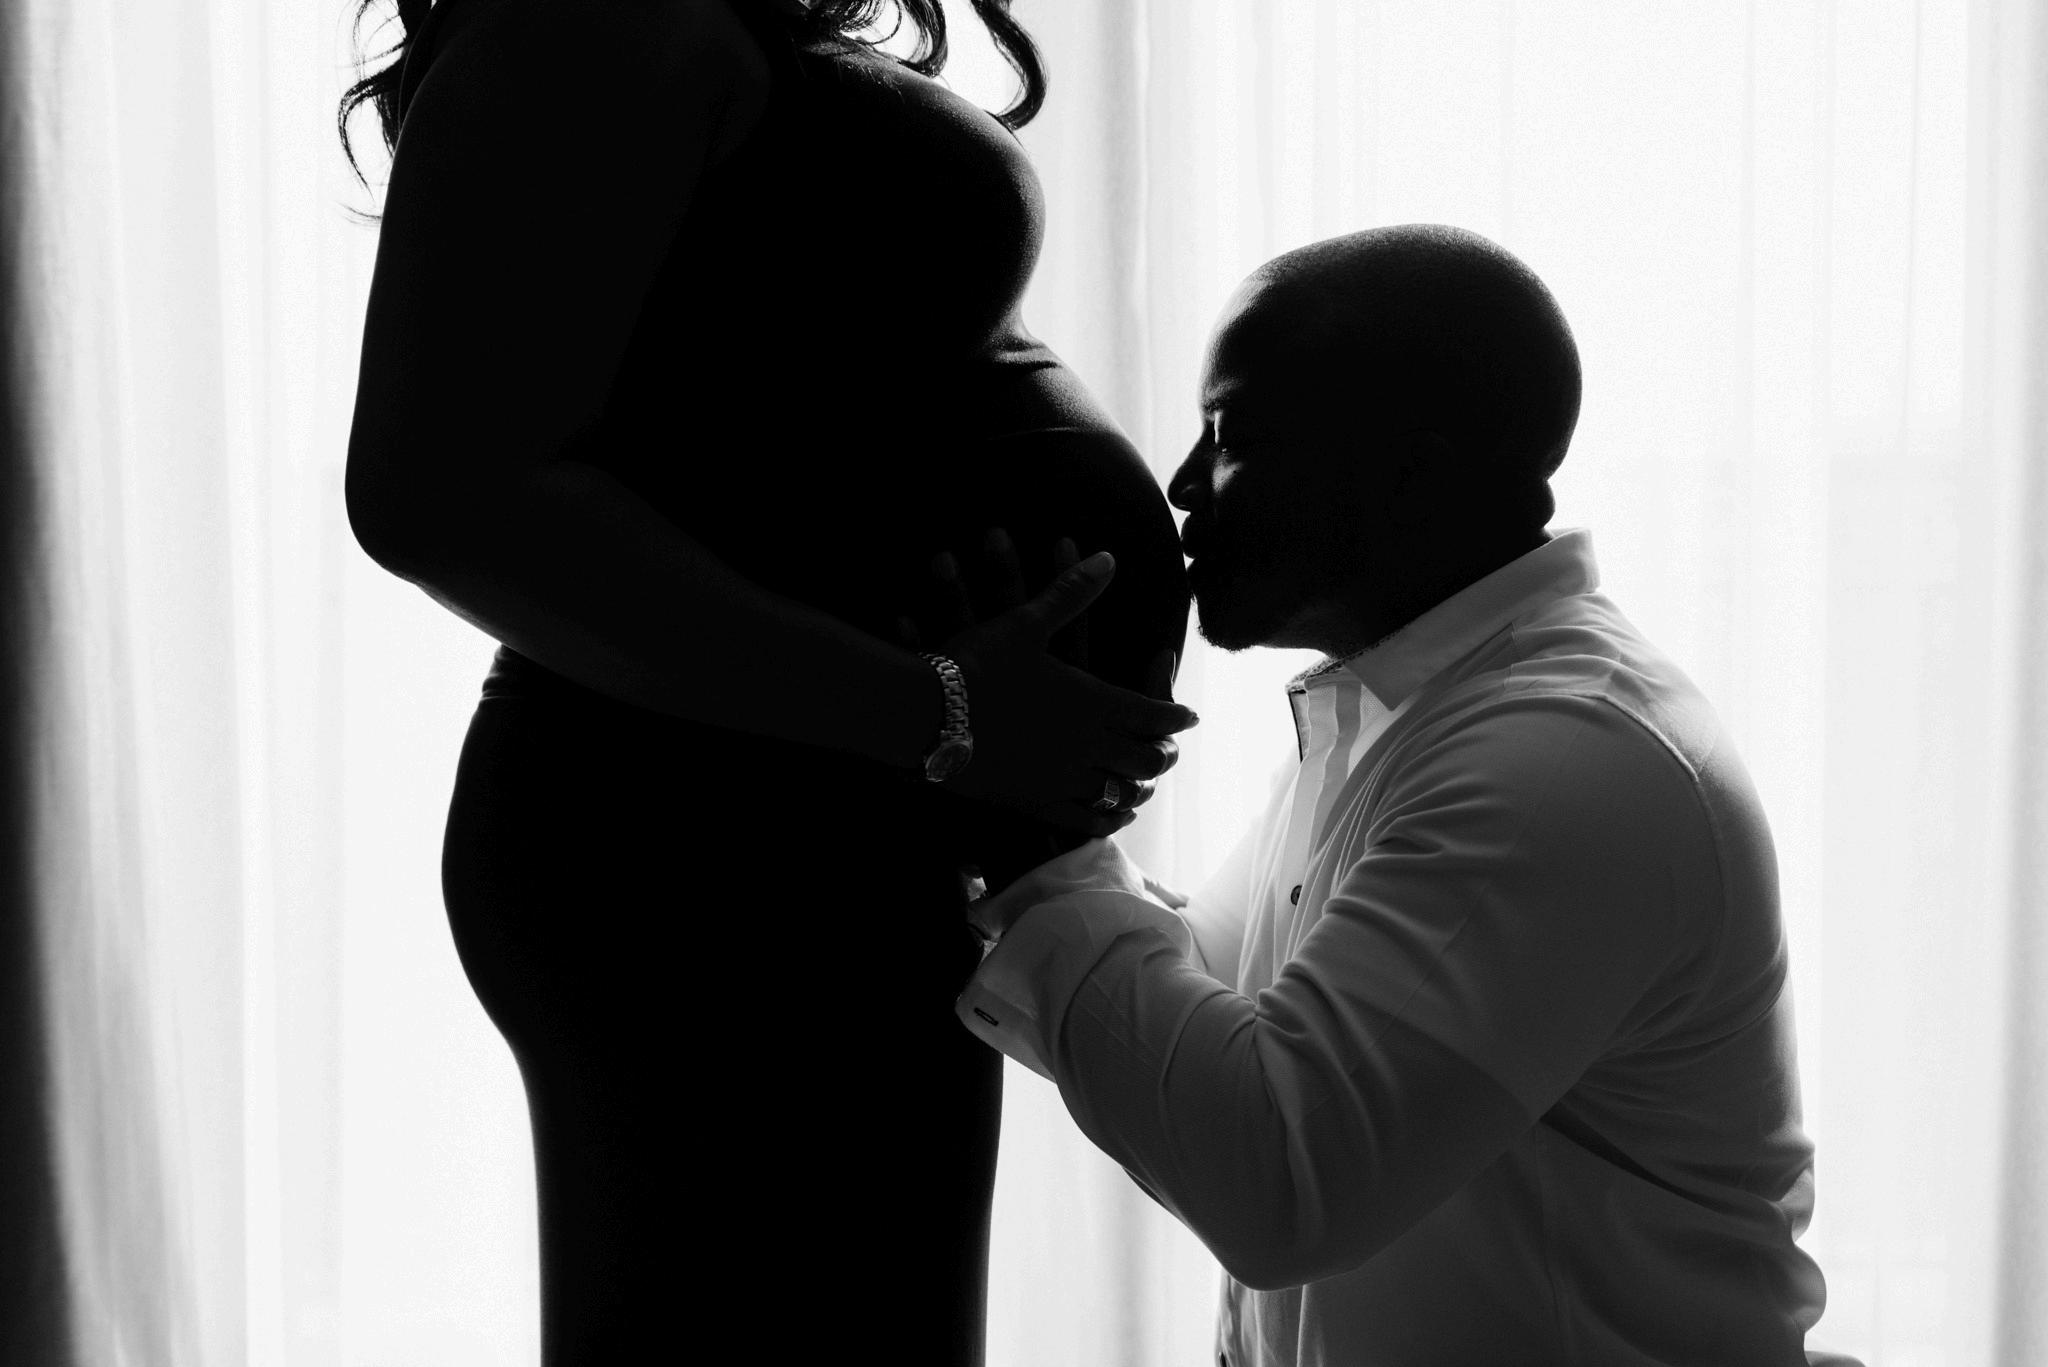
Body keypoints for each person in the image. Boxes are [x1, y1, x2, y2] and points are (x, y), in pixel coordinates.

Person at [337, 0, 1193, 1362]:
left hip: (818, 820)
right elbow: (438, 494)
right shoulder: (604, 20)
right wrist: (938, 713)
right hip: (700, 845)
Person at [942, 224, 1850, 1366]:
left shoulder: (1557, 757)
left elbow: (1280, 1177)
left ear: (1412, 474)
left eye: (1231, 434)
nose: (1180, 485)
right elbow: (1207, 1005)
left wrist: (1032, 837)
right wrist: (1031, 791)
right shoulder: (1407, 714)